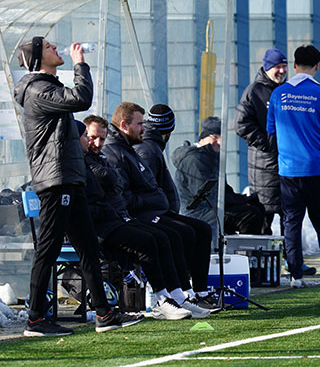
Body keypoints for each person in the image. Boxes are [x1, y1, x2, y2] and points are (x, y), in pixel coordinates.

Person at [14, 37, 143, 336]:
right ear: (36, 59)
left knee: (86, 246)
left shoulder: (47, 86)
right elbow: (81, 99)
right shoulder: (38, 88)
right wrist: (80, 63)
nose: (55, 48)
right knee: (48, 248)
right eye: (48, 47)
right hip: (56, 181)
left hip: (69, 180)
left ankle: (104, 313)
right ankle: (34, 318)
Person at [81, 117, 209, 319]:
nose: (98, 144)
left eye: (102, 139)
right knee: (152, 240)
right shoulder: (91, 160)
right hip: (104, 225)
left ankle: (179, 295)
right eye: (92, 138)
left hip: (117, 217)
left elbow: (116, 184)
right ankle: (162, 299)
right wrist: (113, 181)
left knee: (166, 236)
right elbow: (111, 183)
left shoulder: (108, 156)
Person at [267, 44, 320, 288]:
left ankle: (295, 276)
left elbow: (270, 129)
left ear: (294, 65)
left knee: (292, 222)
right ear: (317, 66)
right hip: (318, 169)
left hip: (288, 170)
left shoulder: (278, 94)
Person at [235, 48, 316, 276]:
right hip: (264, 166)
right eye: (276, 67)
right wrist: (268, 144)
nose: (281, 71)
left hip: (288, 164)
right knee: (264, 215)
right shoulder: (254, 92)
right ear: (266, 67)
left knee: (291, 215)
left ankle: (293, 262)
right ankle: (260, 267)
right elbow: (241, 125)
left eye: (283, 66)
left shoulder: (287, 91)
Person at [172, 117, 266, 236]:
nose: (220, 141)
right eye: (215, 137)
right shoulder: (195, 159)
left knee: (257, 207)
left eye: (221, 137)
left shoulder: (211, 156)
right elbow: (209, 195)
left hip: (212, 207)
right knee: (250, 214)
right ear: (203, 137)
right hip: (199, 212)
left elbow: (223, 189)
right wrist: (242, 200)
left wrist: (241, 199)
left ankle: (256, 249)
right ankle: (244, 251)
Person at [133, 104, 180, 213]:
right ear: (167, 132)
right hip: (155, 215)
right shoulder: (149, 151)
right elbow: (145, 190)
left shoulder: (150, 146)